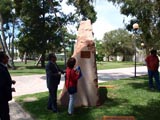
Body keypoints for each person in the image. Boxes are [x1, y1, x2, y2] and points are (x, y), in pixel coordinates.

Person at [0, 52, 16, 120]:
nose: (8, 58)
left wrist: (10, 81)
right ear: (2, 59)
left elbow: (3, 80)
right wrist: (10, 89)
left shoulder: (2, 67)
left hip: (2, 96)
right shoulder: (1, 69)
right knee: (5, 114)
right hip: (2, 97)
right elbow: (1, 85)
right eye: (6, 57)